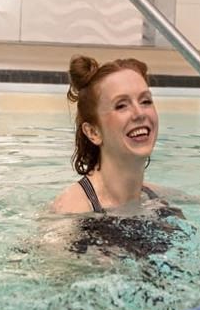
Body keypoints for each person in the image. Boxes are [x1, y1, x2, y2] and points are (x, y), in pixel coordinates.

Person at [52, 54, 167, 215]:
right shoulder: (72, 211)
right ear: (93, 132)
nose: (139, 113)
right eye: (121, 106)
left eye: (145, 101)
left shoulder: (155, 197)